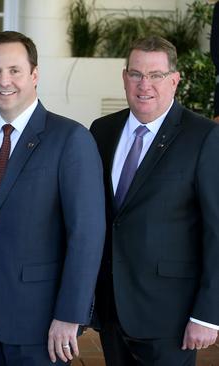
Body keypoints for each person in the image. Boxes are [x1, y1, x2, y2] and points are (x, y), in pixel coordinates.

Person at [0, 31, 106, 365]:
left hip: (45, 323)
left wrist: (71, 314)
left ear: (34, 75)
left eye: (14, 70)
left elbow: (87, 235)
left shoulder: (70, 138)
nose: (4, 81)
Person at [90, 36, 219, 365]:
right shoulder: (101, 131)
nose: (144, 85)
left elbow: (216, 230)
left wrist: (208, 315)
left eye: (156, 75)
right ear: (124, 77)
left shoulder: (203, 136)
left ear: (174, 80)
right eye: (136, 74)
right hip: (112, 308)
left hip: (170, 317)